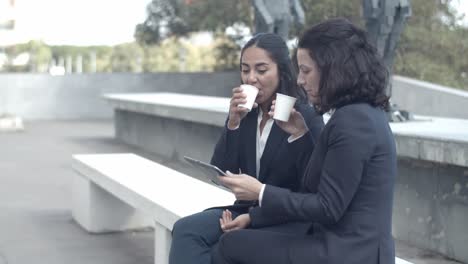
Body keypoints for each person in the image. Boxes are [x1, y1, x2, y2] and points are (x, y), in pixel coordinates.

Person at [213, 18, 397, 264]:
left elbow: (327, 207)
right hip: (336, 241)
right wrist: (299, 134)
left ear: (334, 69)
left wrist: (261, 191)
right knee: (233, 240)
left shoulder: (354, 120)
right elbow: (317, 187)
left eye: (306, 70)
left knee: (230, 246)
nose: (300, 80)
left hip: (349, 252)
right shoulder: (355, 113)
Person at [169, 33, 324, 264]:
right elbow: (224, 170)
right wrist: (233, 123)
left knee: (221, 250)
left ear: (281, 71)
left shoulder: (303, 116)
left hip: (287, 218)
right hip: (245, 210)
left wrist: (254, 217)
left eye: (261, 70)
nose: (251, 78)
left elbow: (311, 189)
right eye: (245, 70)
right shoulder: (247, 114)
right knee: (186, 230)